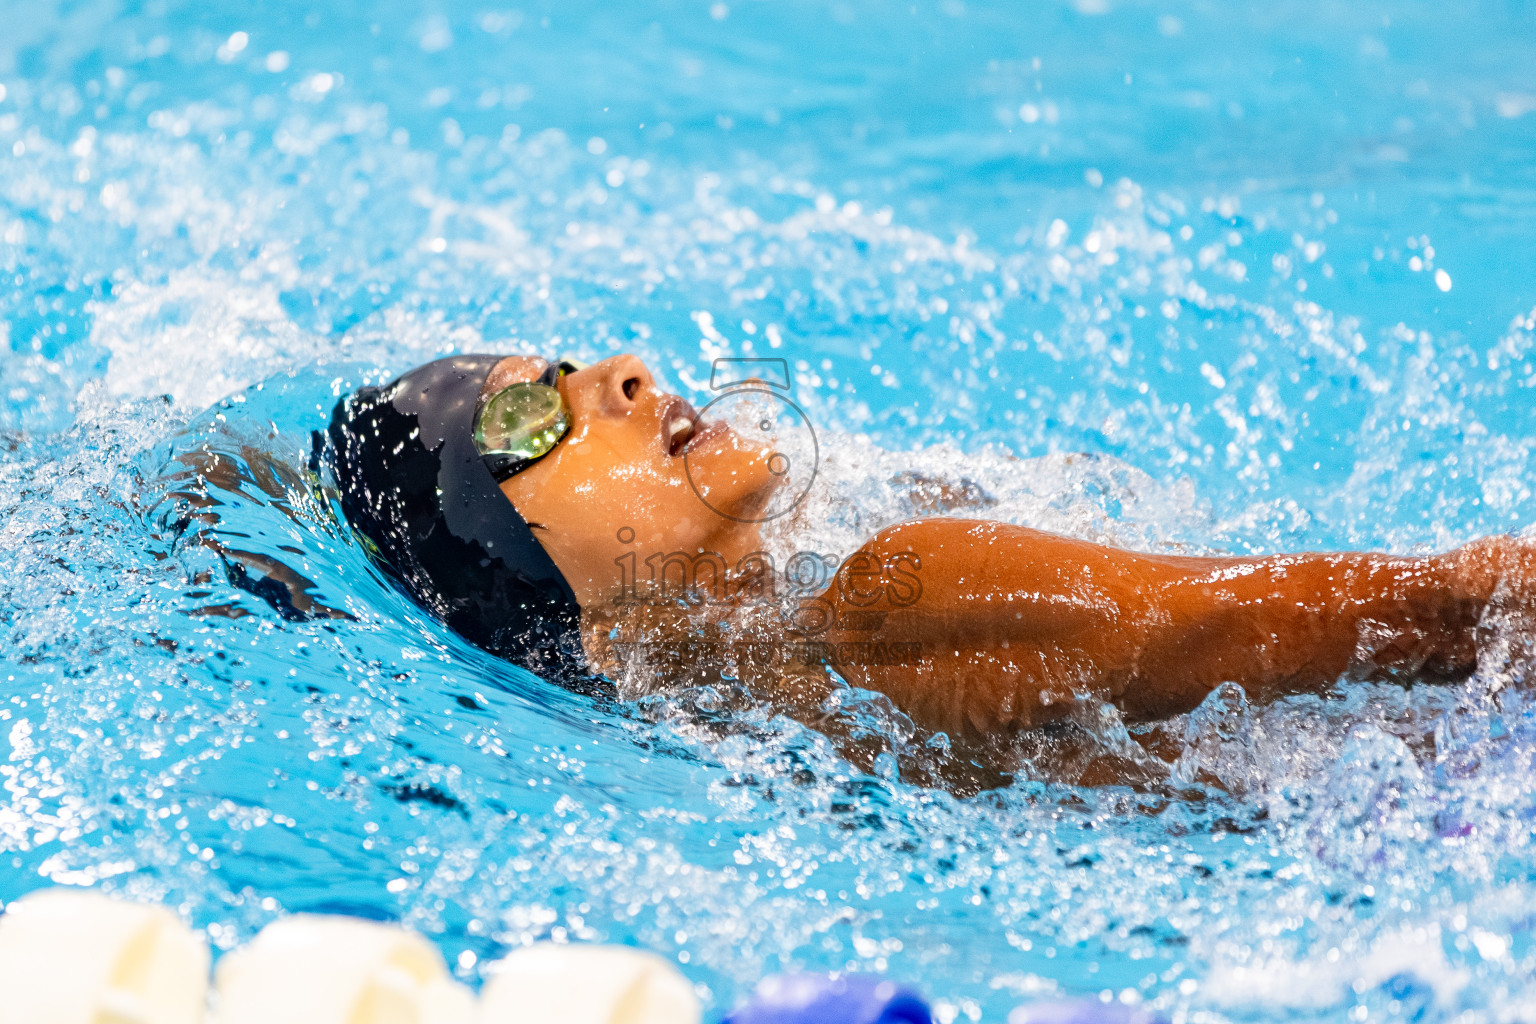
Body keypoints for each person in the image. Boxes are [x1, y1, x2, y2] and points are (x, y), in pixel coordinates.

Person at [319, 352, 1536, 784]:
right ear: (516, 569)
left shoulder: (778, 713)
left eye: (573, 364)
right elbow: (1440, 608)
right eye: (529, 422)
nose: (626, 373)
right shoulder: (890, 607)